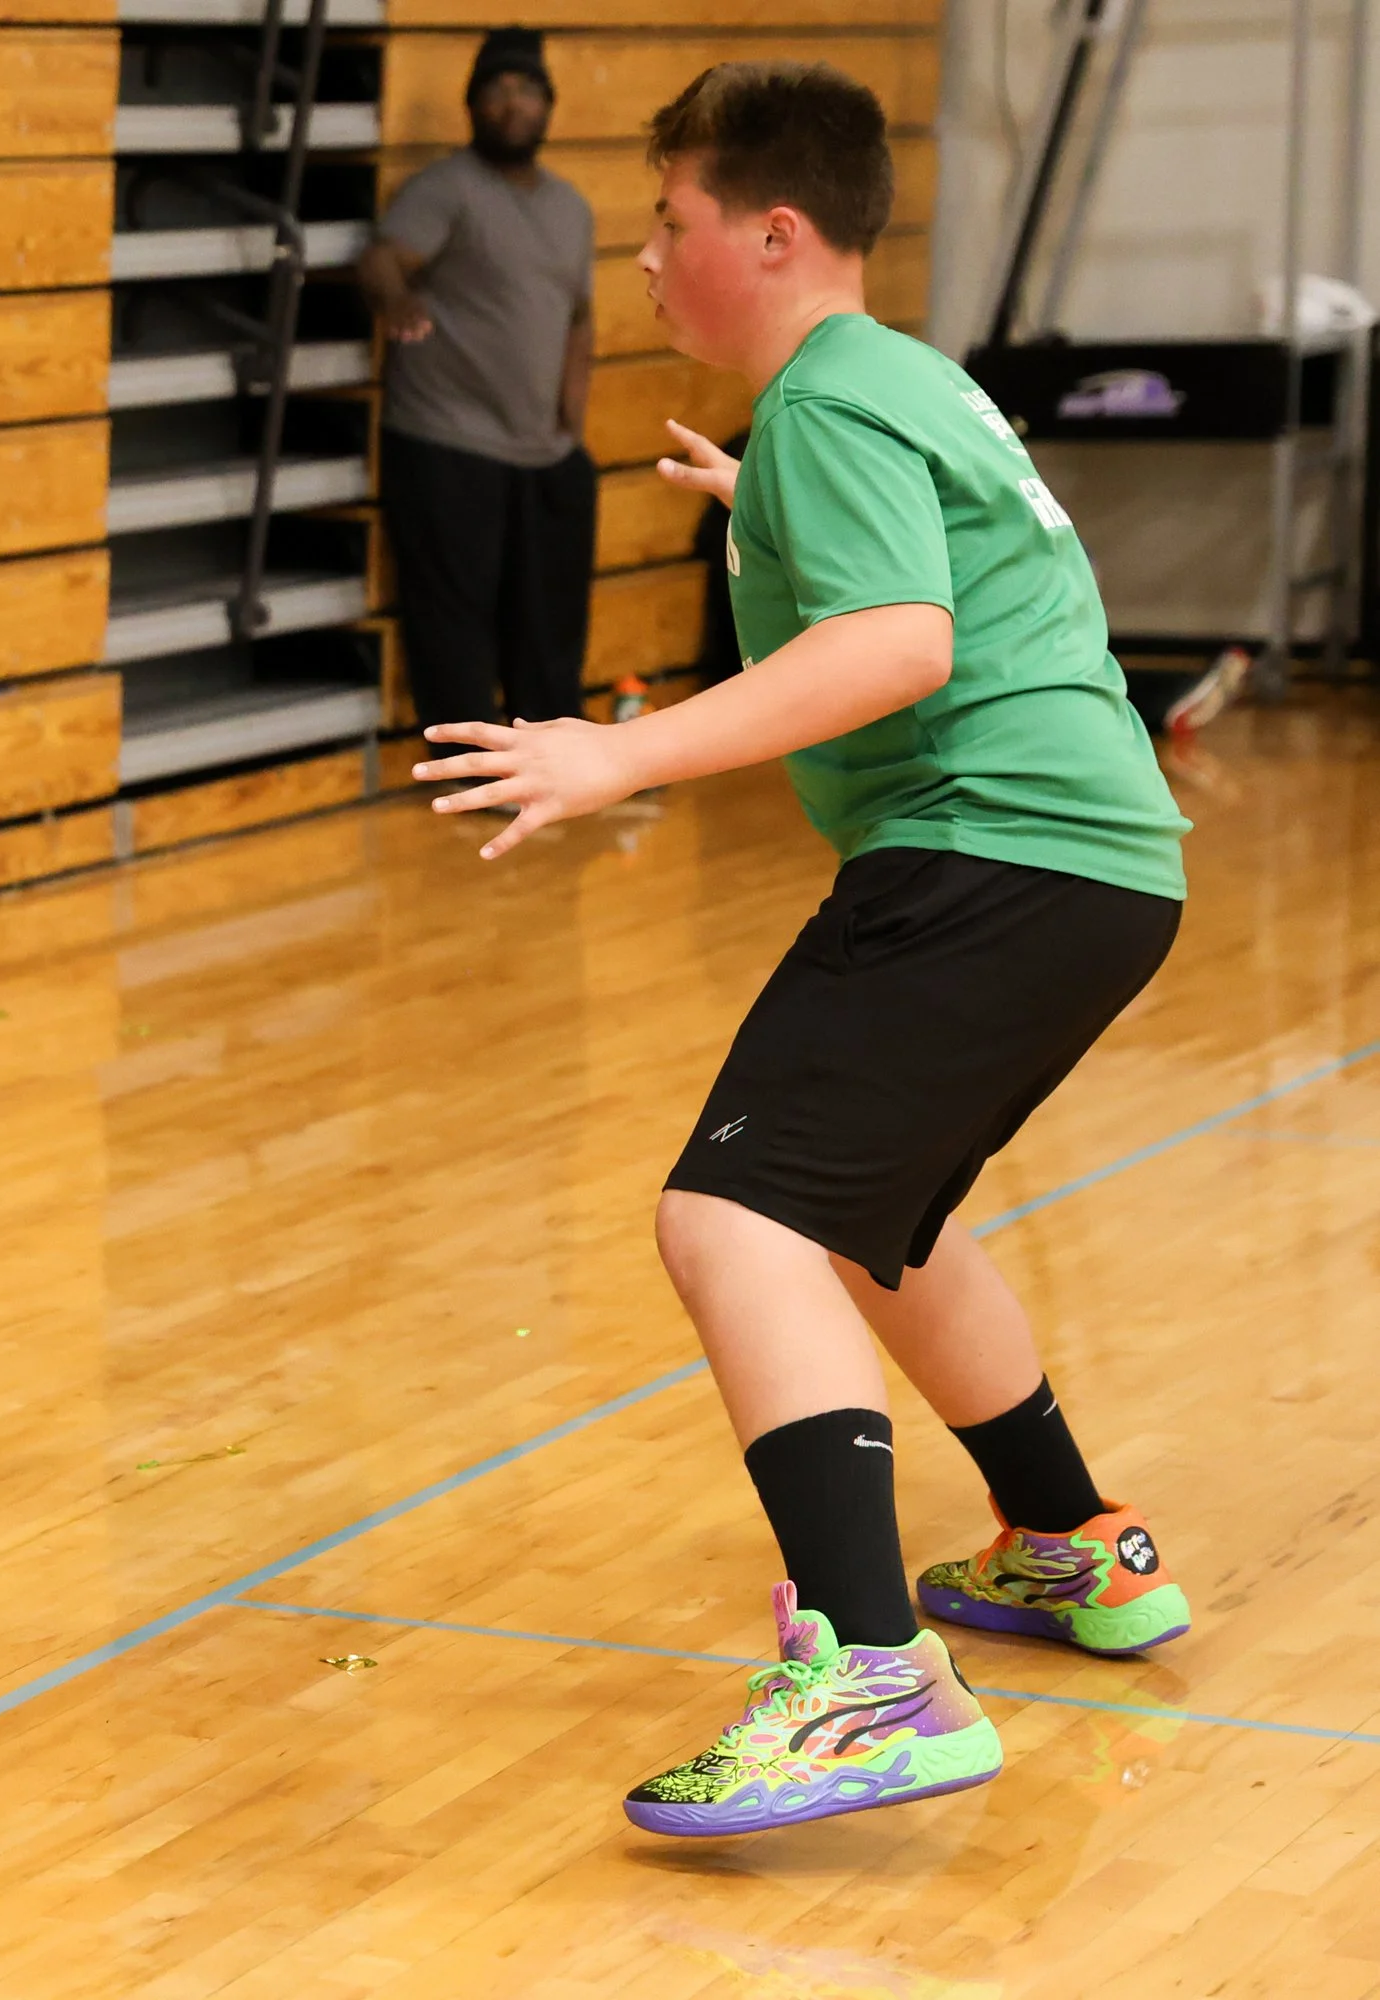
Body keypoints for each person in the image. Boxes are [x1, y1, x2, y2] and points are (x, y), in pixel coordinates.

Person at [415, 61, 1195, 1836]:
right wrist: (761, 501)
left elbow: (904, 641)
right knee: (868, 1220)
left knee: (734, 1213)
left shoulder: (834, 407)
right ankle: (1074, 1537)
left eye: (667, 223)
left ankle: (865, 1677)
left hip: (987, 846)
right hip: (1096, 860)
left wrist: (618, 745)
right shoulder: (887, 383)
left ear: (771, 233)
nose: (642, 258)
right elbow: (949, 578)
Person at [361, 26, 598, 731]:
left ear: (548, 106)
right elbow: (381, 260)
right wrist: (395, 300)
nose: (512, 103)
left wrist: (570, 426)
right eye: (496, 90)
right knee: (454, 624)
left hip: (541, 452)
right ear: (472, 106)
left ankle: (555, 755)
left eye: (527, 89)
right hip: (448, 442)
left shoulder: (571, 207)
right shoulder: (446, 190)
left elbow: (578, 318)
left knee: (548, 622)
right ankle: (467, 771)